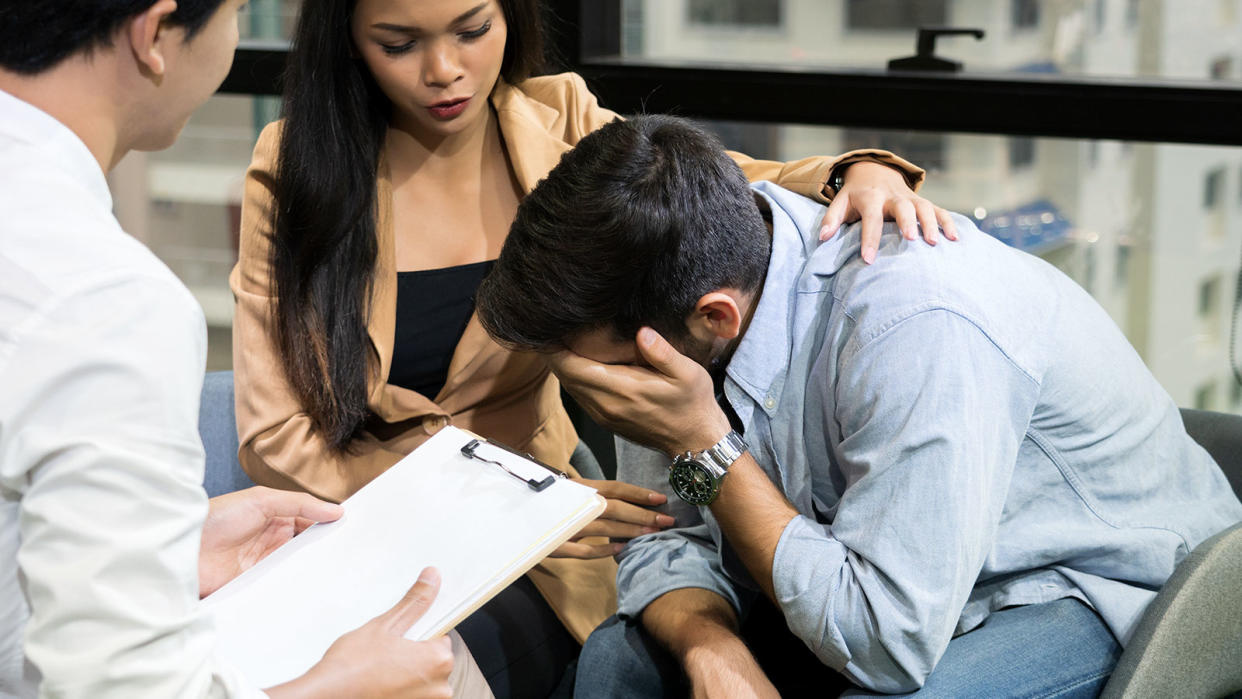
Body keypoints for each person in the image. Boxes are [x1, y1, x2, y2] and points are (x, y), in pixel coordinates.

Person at [230, 0, 957, 693]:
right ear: (349, 41)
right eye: (399, 43)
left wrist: (853, 174)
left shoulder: (556, 119)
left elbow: (707, 187)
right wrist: (500, 502)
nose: (444, 68)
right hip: (371, 524)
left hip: (553, 537)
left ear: (510, 16)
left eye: (472, 28)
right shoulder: (296, 167)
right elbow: (276, 438)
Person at [473, 114, 1242, 697]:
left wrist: (704, 442)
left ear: (715, 319)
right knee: (620, 663)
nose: (592, 392)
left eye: (598, 370)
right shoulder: (677, 284)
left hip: (1091, 581)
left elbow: (886, 642)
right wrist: (715, 647)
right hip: (866, 570)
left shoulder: (915, 320)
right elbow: (660, 537)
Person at [0, 1, 489, 696]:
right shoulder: (106, 302)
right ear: (155, 34)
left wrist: (166, 548)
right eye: (234, 9)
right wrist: (341, 684)